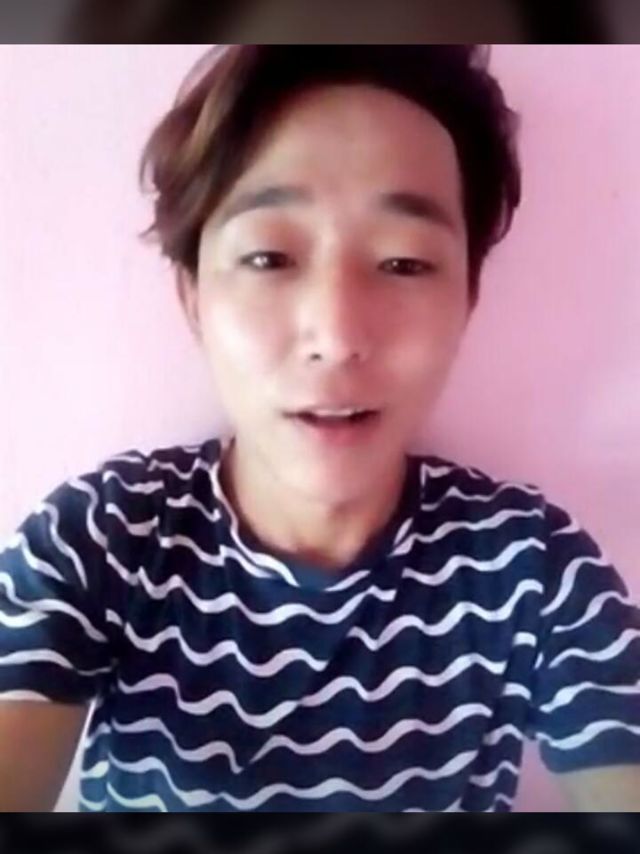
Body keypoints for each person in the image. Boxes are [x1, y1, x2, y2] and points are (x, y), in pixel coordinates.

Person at [0, 45, 638, 813]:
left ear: (468, 299)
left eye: (404, 263)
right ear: (194, 296)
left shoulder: (530, 569)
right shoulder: (101, 537)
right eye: (269, 256)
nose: (336, 335)